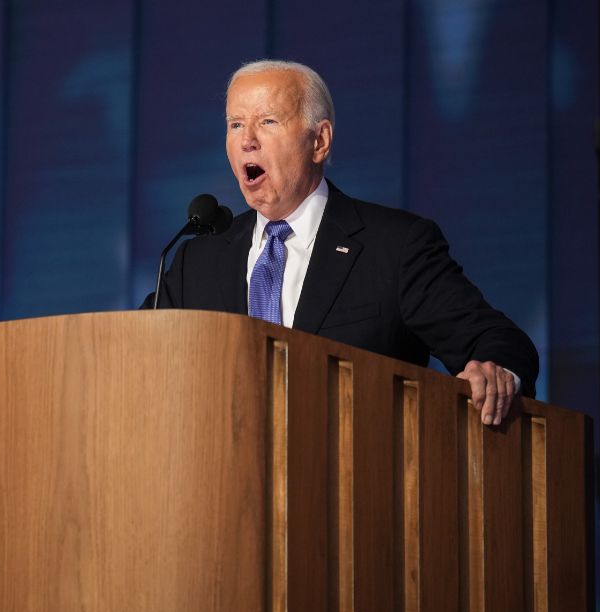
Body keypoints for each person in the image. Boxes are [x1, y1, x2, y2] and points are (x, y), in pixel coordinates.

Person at [142, 60, 538, 425]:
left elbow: (497, 342)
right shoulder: (198, 259)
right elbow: (133, 355)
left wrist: (496, 370)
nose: (247, 140)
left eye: (268, 121)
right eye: (235, 125)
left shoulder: (394, 248)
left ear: (320, 142)